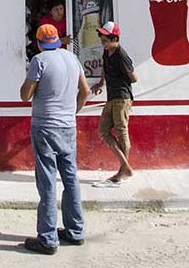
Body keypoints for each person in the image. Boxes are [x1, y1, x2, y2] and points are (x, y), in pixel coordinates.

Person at [20, 23, 89, 255]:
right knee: (70, 178)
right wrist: (73, 111)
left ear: (39, 42)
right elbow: (86, 91)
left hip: (45, 127)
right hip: (68, 126)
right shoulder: (72, 58)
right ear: (58, 40)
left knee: (47, 181)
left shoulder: (39, 61)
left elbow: (25, 95)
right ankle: (75, 230)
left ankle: (48, 238)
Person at [89, 21, 137, 186]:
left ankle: (123, 170)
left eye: (105, 39)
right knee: (103, 130)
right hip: (112, 97)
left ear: (114, 38)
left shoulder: (121, 55)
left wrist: (119, 77)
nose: (103, 42)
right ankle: (125, 166)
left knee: (121, 131)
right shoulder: (106, 52)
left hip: (122, 97)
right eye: (102, 39)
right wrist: (101, 83)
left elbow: (133, 78)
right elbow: (104, 69)